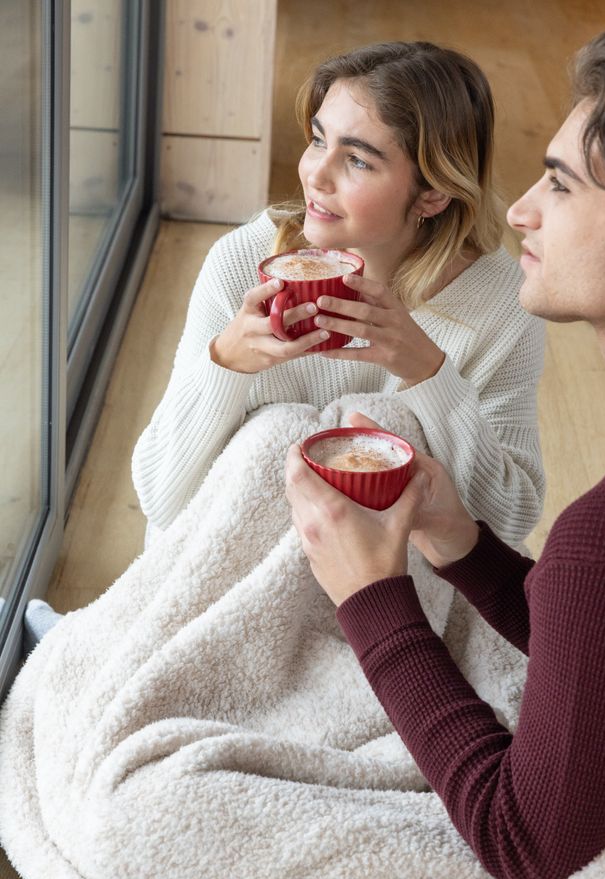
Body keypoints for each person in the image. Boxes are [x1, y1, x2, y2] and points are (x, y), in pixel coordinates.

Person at [285, 20, 605, 879]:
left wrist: (369, 596)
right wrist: (462, 542)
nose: (519, 209)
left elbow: (526, 846)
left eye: (561, 186)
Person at [131, 41, 544, 547]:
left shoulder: (500, 303)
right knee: (275, 432)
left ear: (433, 193)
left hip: (384, 590)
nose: (315, 175)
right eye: (317, 140)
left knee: (393, 430)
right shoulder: (243, 264)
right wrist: (225, 364)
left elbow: (508, 524)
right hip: (240, 569)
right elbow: (160, 495)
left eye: (358, 161)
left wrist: (430, 375)